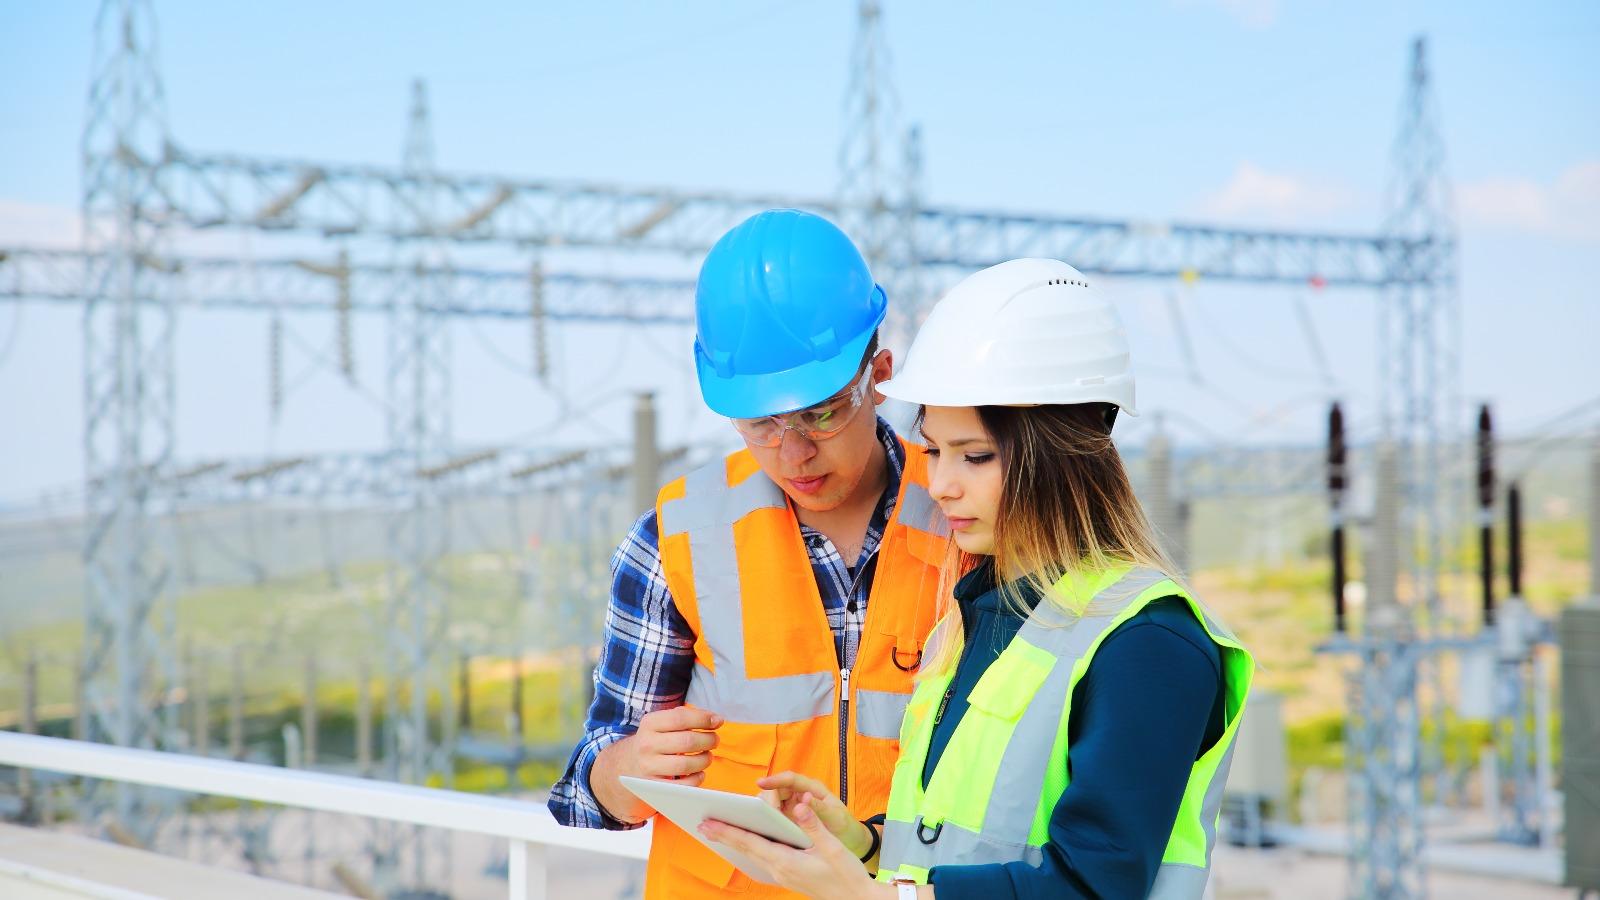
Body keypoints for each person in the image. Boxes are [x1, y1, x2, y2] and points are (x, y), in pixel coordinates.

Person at [698, 258, 1254, 899]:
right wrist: (864, 843)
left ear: (1063, 452)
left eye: (976, 456)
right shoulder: (978, 612)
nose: (940, 484)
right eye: (934, 450)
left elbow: (1095, 884)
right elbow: (961, 839)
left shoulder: (1148, 642)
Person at [549, 208, 949, 899]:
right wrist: (627, 765)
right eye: (760, 423)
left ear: (880, 373)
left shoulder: (965, 518)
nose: (792, 452)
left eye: (820, 414)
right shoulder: (673, 538)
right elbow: (589, 789)